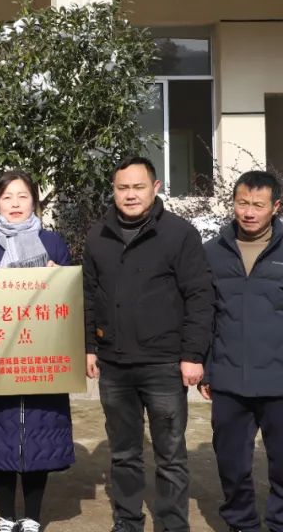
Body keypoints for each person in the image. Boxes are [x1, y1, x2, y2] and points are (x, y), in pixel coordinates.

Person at [82, 156, 214, 532]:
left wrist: (193, 355)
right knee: (124, 453)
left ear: (155, 188)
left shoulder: (179, 234)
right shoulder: (98, 236)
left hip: (164, 364)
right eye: (123, 187)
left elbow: (200, 296)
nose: (130, 195)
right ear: (113, 190)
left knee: (170, 453)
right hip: (114, 364)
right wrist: (90, 345)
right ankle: (128, 520)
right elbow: (89, 295)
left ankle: (172, 524)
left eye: (138, 187)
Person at [199, 170, 283, 532]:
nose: (249, 212)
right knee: (231, 464)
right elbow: (204, 316)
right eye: (242, 203)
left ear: (275, 207)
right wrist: (206, 368)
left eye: (258, 205)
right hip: (229, 379)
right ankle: (241, 523)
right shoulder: (212, 252)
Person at [0, 171, 74, 532]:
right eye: (7, 197)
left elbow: (72, 300)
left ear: (34, 201)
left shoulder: (52, 243)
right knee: (0, 439)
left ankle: (33, 516)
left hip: (42, 358)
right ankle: (6, 515)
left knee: (39, 439)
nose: (15, 204)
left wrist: (59, 279)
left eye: (23, 196)